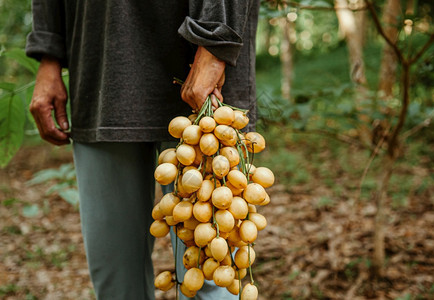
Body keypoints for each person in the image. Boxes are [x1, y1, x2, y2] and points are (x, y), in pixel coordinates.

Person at [26, 1, 259, 299]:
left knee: (215, 277)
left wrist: (215, 40)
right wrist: (49, 54)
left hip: (206, 73)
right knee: (115, 276)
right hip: (102, 66)